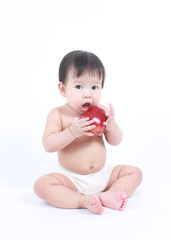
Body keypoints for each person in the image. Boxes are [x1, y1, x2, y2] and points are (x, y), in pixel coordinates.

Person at [34, 50, 143, 214]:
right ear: (63, 89)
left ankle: (111, 194)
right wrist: (71, 132)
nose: (87, 94)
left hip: (103, 175)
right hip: (71, 179)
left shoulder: (101, 111)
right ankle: (80, 200)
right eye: (78, 86)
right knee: (41, 186)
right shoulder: (58, 114)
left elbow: (116, 141)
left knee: (135, 172)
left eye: (94, 87)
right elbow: (48, 145)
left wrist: (111, 126)